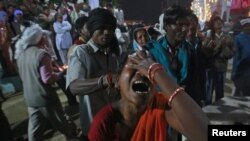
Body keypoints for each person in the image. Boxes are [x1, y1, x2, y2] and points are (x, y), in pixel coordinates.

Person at [88, 51, 208, 141]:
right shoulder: (103, 123)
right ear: (118, 80)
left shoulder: (159, 106)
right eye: (134, 66)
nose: (142, 73)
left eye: (147, 70)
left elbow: (206, 134)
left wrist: (157, 72)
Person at [14, 24, 78, 141]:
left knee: (35, 128)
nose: (45, 38)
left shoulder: (21, 54)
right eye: (43, 36)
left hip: (29, 97)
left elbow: (29, 73)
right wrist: (61, 73)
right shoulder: (42, 54)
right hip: (44, 97)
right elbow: (47, 78)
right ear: (39, 39)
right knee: (61, 121)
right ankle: (72, 135)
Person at [66, 8, 120, 139]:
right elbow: (73, 87)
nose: (107, 32)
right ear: (91, 28)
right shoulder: (81, 52)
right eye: (101, 27)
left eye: (110, 28)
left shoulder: (112, 57)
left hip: (112, 124)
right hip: (92, 128)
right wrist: (103, 81)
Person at [231, 17, 250, 96]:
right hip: (242, 71)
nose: (248, 27)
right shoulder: (238, 38)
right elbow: (236, 57)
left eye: (249, 25)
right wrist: (234, 73)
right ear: (243, 27)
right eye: (246, 26)